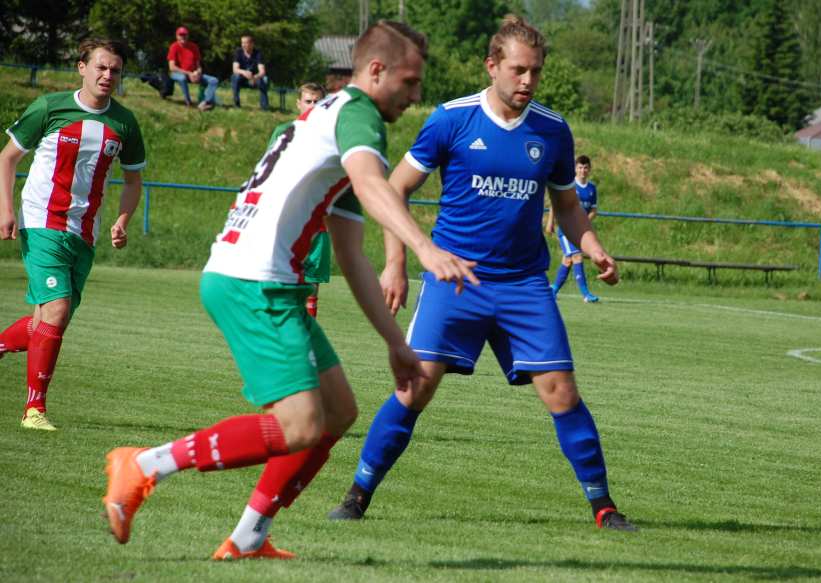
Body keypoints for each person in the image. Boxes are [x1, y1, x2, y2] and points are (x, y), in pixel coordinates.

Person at [101, 21, 479, 559]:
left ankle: (250, 536)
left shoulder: (325, 118)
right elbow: (375, 186)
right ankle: (141, 465)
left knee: (338, 411)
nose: (417, 96)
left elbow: (349, 251)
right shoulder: (359, 115)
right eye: (411, 82)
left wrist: (396, 341)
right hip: (255, 281)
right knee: (300, 424)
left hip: (256, 277)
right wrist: (425, 248)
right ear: (376, 71)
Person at [328, 15, 637, 532]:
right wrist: (397, 263)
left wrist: (594, 246)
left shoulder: (553, 129)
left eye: (536, 72)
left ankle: (604, 507)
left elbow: (565, 204)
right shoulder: (451, 120)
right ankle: (357, 495)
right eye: (518, 70)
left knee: (561, 391)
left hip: (523, 285)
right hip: (456, 281)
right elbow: (394, 189)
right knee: (415, 388)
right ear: (492, 66)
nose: (528, 81)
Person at [0, 38, 146, 431]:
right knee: (58, 310)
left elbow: (133, 181)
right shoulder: (50, 108)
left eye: (115, 69)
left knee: (46, 321)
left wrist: (122, 220)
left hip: (85, 230)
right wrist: (6, 209)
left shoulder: (125, 123)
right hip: (41, 221)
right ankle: (35, 410)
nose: (107, 75)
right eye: (100, 67)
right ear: (81, 67)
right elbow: (7, 158)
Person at [268, 82, 327, 316]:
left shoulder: (332, 137)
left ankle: (307, 341)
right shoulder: (284, 132)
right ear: (298, 104)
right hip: (288, 222)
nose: (312, 106)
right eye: (308, 101)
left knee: (311, 286)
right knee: (282, 282)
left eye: (317, 102)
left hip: (319, 225)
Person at [546, 154, 600, 302]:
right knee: (577, 256)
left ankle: (553, 289)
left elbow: (594, 210)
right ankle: (586, 294)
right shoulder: (569, 185)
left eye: (586, 168)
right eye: (580, 167)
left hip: (580, 231)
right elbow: (555, 204)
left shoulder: (592, 189)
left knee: (568, 260)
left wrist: (584, 222)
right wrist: (550, 222)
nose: (583, 170)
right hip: (565, 229)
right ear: (575, 169)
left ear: (589, 169)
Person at [167, 26, 219, 111]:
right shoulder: (174, 47)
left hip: (193, 74)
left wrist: (198, 73)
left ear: (188, 36)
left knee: (214, 80)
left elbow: (198, 65)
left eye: (185, 35)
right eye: (181, 35)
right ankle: (188, 101)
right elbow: (172, 67)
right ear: (177, 36)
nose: (183, 37)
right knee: (182, 78)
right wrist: (189, 73)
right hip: (177, 74)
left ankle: (205, 102)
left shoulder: (194, 47)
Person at [231, 34, 269, 110]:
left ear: (252, 44)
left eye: (246, 43)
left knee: (264, 79)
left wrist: (255, 77)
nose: (243, 45)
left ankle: (264, 107)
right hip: (242, 78)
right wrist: (244, 72)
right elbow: (235, 69)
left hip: (254, 78)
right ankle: (236, 104)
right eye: (242, 43)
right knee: (235, 77)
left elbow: (262, 71)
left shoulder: (258, 53)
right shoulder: (238, 52)